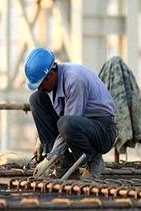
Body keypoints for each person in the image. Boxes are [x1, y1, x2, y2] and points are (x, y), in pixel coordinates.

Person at [25, 48, 118, 179]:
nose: (40, 88)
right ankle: (63, 162)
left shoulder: (74, 80)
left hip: (102, 130)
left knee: (66, 124)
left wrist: (49, 160)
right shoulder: (53, 83)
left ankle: (93, 160)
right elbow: (59, 114)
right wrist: (40, 141)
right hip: (79, 124)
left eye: (40, 84)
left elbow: (68, 123)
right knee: (36, 99)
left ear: (51, 74)